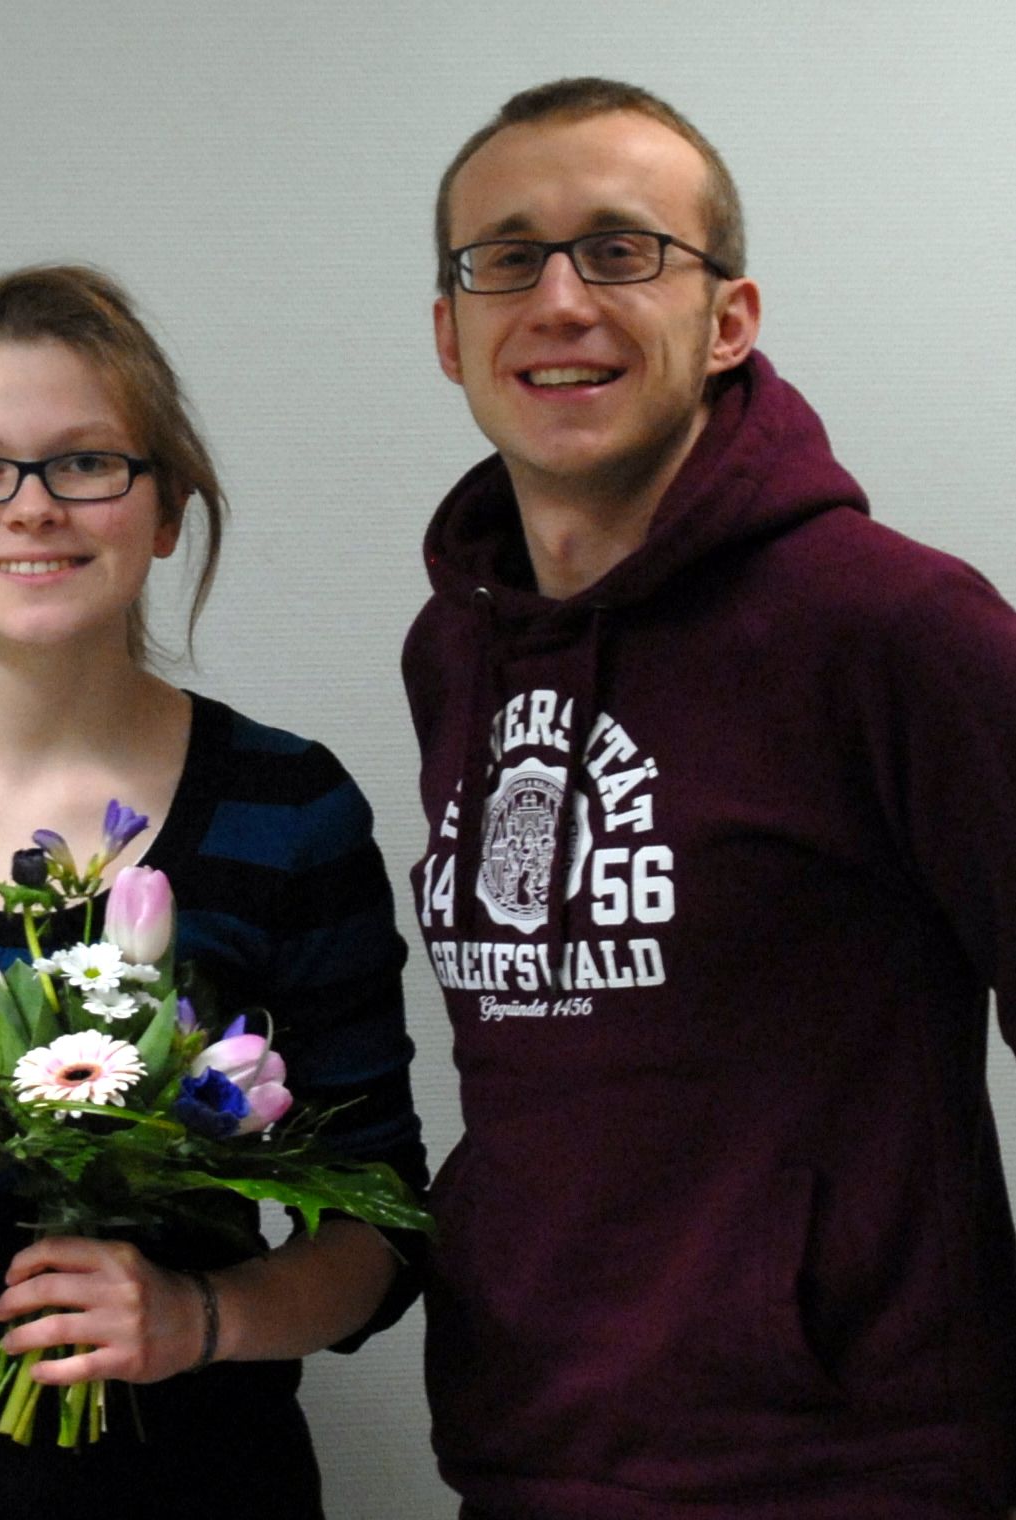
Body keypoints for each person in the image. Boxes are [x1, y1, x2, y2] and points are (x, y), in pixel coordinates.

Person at [0, 264, 427, 1520]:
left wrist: (200, 1316)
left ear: (163, 509)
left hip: (192, 1487)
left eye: (86, 462)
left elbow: (381, 1223)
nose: (30, 507)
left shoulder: (289, 804)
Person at [408, 77, 1016, 1518]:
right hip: (530, 1448)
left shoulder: (898, 629)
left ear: (729, 318)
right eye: (505, 256)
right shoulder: (456, 648)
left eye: (622, 250)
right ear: (449, 331)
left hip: (847, 1466)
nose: (558, 299)